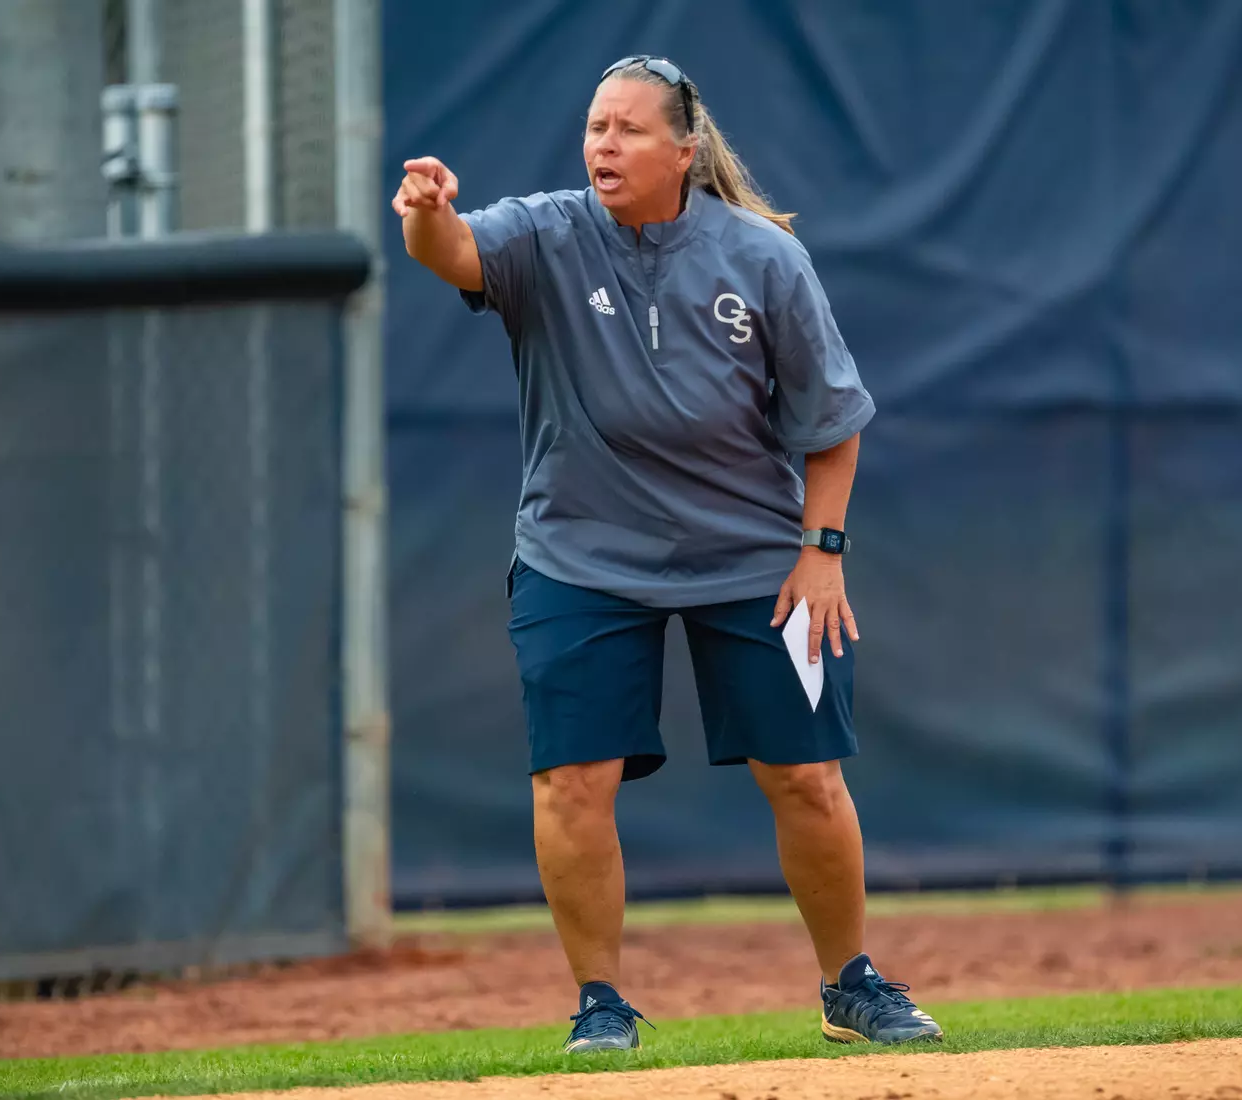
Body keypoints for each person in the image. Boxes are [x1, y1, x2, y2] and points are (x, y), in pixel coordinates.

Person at [392, 54, 942, 1053]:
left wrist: (822, 551)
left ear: (685, 150)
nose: (603, 144)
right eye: (596, 126)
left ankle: (849, 984)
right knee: (571, 780)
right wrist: (426, 212)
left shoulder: (763, 257)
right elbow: (456, 254)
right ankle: (600, 1001)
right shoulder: (547, 231)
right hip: (582, 550)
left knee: (808, 775)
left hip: (753, 554)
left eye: (628, 129)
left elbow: (831, 421)